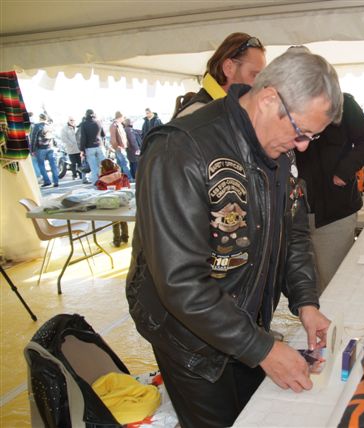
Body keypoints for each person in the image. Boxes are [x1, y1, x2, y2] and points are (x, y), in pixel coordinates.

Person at [126, 49, 343, 427]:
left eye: (312, 136)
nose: (304, 145)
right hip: (189, 338)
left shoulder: (279, 147)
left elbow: (292, 234)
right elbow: (180, 281)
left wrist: (306, 301)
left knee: (255, 415)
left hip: (244, 321)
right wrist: (261, 348)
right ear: (269, 99)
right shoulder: (181, 149)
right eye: (301, 132)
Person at [296, 92, 364, 293]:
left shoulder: (342, 103)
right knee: (305, 286)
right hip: (295, 212)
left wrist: (344, 171)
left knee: (335, 284)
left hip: (334, 210)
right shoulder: (286, 103)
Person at [172, 32, 266, 118]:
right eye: (255, 75)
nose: (261, 86)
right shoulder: (195, 115)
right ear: (229, 68)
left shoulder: (232, 110)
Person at [95, 159, 130, 247]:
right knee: (124, 220)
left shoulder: (101, 181)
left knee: (115, 222)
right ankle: (125, 237)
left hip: (111, 203)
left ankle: (116, 241)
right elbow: (127, 188)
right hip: (123, 201)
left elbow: (100, 194)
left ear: (103, 168)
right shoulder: (122, 176)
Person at [29, 113, 59, 188]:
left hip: (41, 148)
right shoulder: (49, 126)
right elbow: (53, 137)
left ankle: (47, 181)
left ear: (39, 118)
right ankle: (56, 181)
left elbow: (33, 138)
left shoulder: (37, 126)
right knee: (53, 165)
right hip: (50, 147)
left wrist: (32, 150)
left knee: (41, 165)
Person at [78, 109, 106, 184]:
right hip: (100, 146)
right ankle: (105, 181)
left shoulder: (84, 124)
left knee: (94, 167)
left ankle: (97, 182)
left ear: (86, 115)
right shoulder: (98, 122)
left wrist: (82, 150)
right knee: (103, 166)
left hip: (89, 147)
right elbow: (103, 134)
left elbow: (83, 138)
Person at [109, 111, 133, 180]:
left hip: (121, 147)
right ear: (120, 117)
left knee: (120, 164)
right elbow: (113, 138)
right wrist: (117, 147)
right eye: (123, 117)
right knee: (125, 163)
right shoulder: (114, 125)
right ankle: (129, 178)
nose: (124, 119)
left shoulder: (118, 125)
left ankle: (121, 179)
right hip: (119, 148)